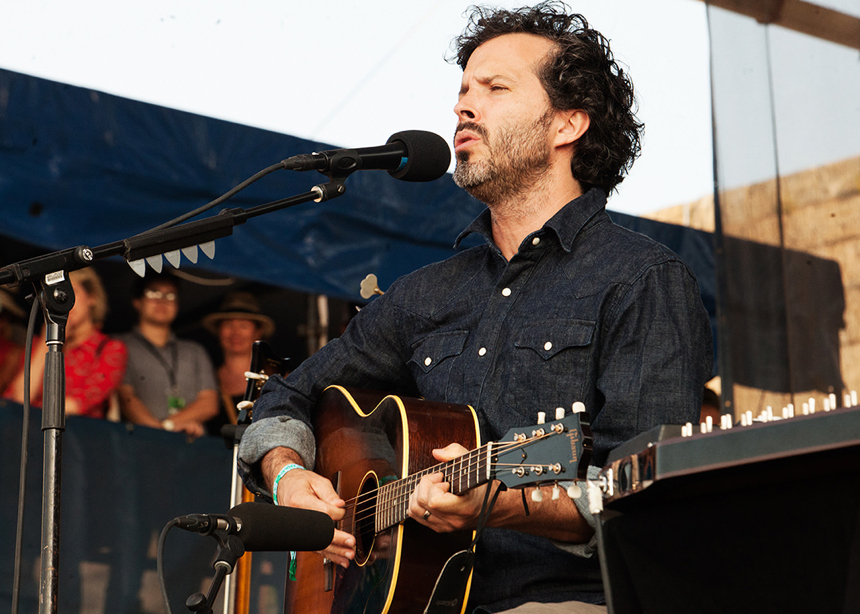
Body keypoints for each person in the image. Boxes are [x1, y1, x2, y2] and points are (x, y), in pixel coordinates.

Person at [237, 3, 713, 612]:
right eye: (462, 89)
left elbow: (643, 497)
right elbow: (287, 394)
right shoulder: (426, 293)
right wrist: (286, 474)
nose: (463, 106)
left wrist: (499, 501)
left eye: (494, 88)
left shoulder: (641, 280)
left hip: (565, 599)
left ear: (566, 125)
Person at [4, 268, 127, 418]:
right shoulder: (37, 343)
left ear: (91, 298)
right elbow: (19, 397)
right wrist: (46, 341)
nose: (63, 300)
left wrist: (34, 409)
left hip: (82, 435)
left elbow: (80, 404)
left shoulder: (110, 348)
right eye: (56, 295)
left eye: (72, 292)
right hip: (34, 433)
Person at [117, 274, 218, 438]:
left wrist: (166, 427)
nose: (162, 301)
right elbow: (126, 398)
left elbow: (209, 403)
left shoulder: (195, 350)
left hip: (192, 445)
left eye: (170, 296)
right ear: (137, 301)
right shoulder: (119, 345)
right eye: (153, 293)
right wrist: (158, 435)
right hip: (138, 443)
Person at [202, 291, 276, 437]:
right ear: (219, 331)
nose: (235, 333)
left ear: (258, 332)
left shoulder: (277, 381)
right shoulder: (205, 382)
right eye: (228, 325)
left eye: (243, 326)